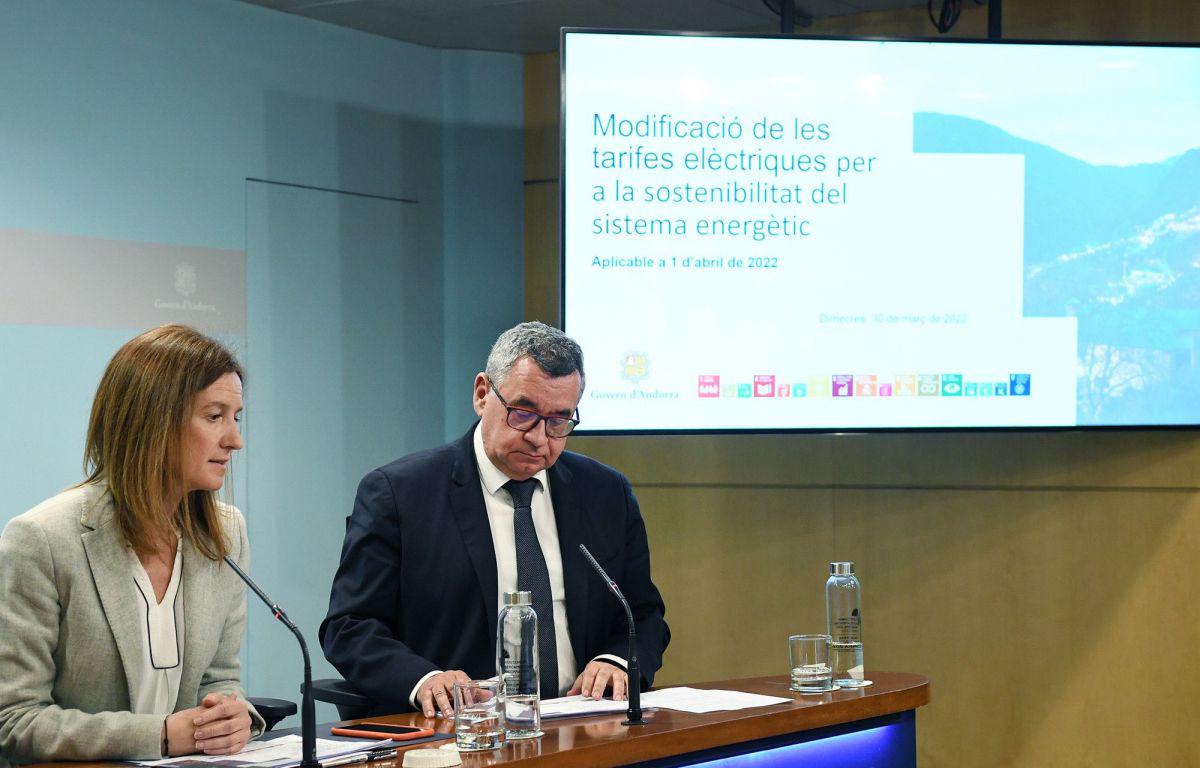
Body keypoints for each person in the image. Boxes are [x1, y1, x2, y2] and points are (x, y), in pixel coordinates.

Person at [320, 321, 669, 718]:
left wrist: (617, 660)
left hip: (580, 723)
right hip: (459, 729)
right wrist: (424, 679)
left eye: (559, 421)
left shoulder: (605, 493)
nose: (539, 437)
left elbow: (643, 615)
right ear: (482, 394)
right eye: (523, 413)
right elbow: (350, 627)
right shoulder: (400, 494)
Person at [0, 325, 264, 763]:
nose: (235, 440)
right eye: (214, 416)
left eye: (237, 417)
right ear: (153, 421)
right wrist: (159, 735)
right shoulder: (41, 539)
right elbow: (14, 719)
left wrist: (232, 716)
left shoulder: (226, 533)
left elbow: (218, 679)